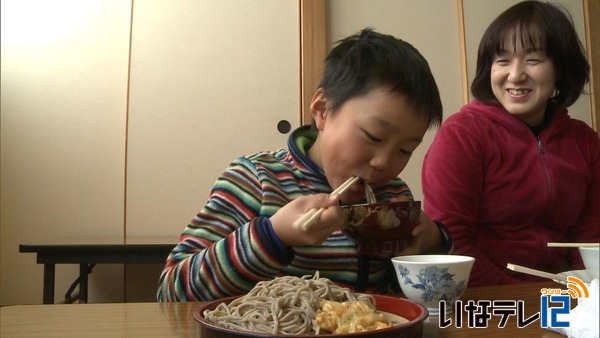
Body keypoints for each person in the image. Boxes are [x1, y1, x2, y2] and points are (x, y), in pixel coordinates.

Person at [158, 28, 452, 302]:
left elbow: (405, 294)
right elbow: (173, 291)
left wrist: (432, 241)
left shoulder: (391, 194)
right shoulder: (257, 178)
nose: (384, 163)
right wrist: (273, 236)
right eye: (373, 136)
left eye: (405, 150)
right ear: (322, 110)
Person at [422, 1, 600, 286]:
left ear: (560, 68)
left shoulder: (585, 141)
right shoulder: (461, 135)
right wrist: (524, 298)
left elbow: (590, 238)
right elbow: (450, 239)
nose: (515, 75)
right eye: (502, 60)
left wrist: (581, 293)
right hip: (482, 297)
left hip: (564, 296)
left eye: (533, 60)